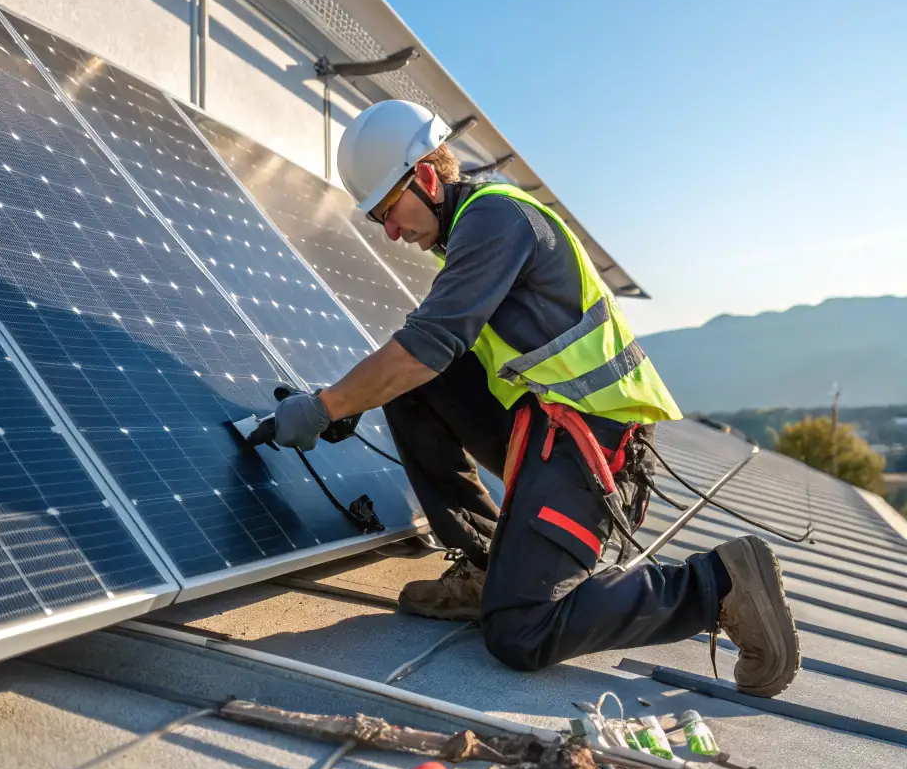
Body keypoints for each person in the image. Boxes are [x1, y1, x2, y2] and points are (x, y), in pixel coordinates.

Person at [266, 101, 800, 697]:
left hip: (594, 445)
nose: (391, 232)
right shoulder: (475, 225)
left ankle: (718, 586)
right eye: (378, 222)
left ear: (423, 176)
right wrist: (356, 399)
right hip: (545, 426)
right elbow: (434, 357)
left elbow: (429, 342)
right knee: (418, 383)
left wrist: (325, 406)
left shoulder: (496, 221)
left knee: (522, 631)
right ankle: (488, 562)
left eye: (389, 211)